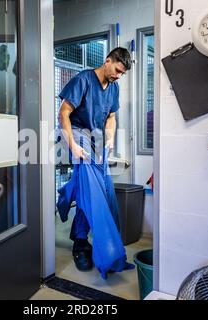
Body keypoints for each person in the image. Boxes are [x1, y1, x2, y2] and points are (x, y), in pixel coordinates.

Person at [56, 47, 135, 279]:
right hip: (78, 135)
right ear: (107, 61)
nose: (118, 76)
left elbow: (111, 116)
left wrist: (110, 137)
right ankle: (93, 248)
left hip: (97, 140)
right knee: (94, 193)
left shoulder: (114, 87)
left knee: (105, 192)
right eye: (117, 70)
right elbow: (64, 112)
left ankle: (66, 194)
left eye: (122, 74)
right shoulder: (83, 79)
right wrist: (72, 145)